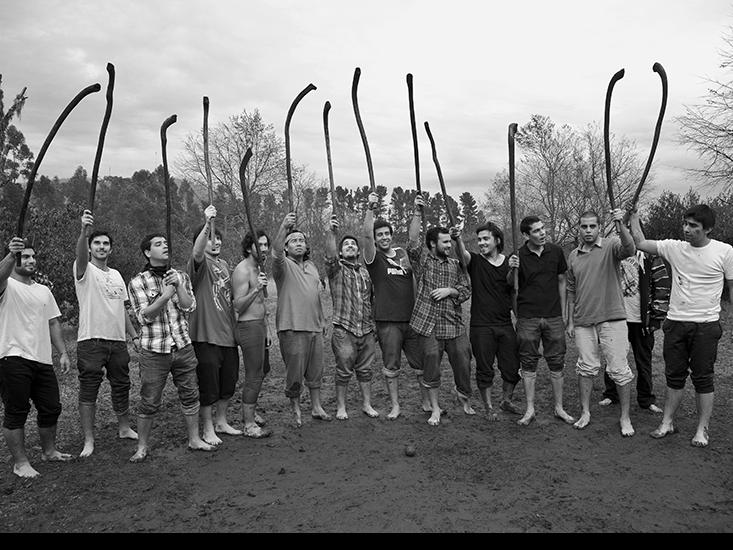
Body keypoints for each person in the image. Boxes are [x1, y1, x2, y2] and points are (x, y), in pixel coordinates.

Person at [630, 205, 733, 447]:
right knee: (674, 376)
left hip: (706, 326)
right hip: (676, 323)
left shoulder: (725, 251)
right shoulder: (675, 248)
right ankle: (667, 422)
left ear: (708, 229)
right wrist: (634, 217)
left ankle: (702, 429)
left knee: (703, 378)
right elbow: (641, 243)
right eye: (685, 224)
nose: (686, 230)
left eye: (693, 226)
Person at [128, 233, 214, 461]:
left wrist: (178, 287)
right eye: (158, 244)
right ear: (147, 252)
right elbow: (144, 316)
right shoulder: (138, 282)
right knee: (149, 399)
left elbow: (189, 306)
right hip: (154, 351)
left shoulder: (181, 276)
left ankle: (195, 439)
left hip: (183, 346)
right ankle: (142, 446)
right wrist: (165, 296)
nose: (164, 246)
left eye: (166, 243)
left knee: (190, 393)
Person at [0, 237, 72, 478]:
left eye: (33, 256)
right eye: (25, 256)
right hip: (12, 357)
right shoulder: (6, 285)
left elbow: (53, 322)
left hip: (42, 359)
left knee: (51, 407)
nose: (31, 260)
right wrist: (11, 255)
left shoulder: (43, 290)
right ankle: (20, 463)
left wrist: (62, 352)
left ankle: (49, 451)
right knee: (16, 410)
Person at [74, 210, 140, 458]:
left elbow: (122, 310)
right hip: (92, 340)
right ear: (90, 248)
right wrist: (83, 231)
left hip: (117, 342)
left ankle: (124, 427)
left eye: (106, 244)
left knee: (122, 384)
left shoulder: (116, 275)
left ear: (111, 249)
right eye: (97, 243)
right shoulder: (84, 270)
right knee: (89, 389)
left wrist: (133, 335)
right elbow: (80, 256)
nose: (102, 247)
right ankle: (89, 440)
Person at [566, 209, 636, 436]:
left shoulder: (610, 246)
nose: (588, 231)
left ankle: (625, 417)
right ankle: (585, 412)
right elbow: (571, 289)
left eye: (592, 226)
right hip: (583, 321)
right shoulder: (573, 255)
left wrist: (621, 224)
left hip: (611, 318)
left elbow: (630, 249)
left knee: (619, 369)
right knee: (585, 368)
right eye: (584, 227)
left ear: (599, 227)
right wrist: (569, 320)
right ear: (579, 228)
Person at [409, 195, 474, 426]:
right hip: (429, 326)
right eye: (444, 242)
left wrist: (450, 291)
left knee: (464, 363)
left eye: (450, 242)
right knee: (431, 367)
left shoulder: (457, 266)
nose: (448, 246)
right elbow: (412, 242)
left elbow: (466, 290)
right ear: (432, 244)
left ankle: (464, 398)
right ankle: (435, 408)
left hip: (454, 326)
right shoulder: (423, 263)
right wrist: (418, 212)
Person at [363, 191, 426, 420]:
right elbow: (367, 238)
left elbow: (414, 239)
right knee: (392, 366)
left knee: (420, 365)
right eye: (379, 234)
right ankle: (395, 405)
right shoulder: (373, 258)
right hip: (388, 321)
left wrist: (417, 212)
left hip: (413, 319)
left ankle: (427, 402)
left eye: (386, 233)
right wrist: (370, 208)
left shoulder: (402, 253)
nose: (383, 237)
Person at [508, 216, 575, 426]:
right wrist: (512, 268)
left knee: (556, 361)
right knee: (528, 362)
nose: (542, 233)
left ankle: (559, 408)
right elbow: (511, 285)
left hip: (554, 316)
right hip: (528, 317)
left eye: (543, 228)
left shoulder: (555, 251)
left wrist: (563, 312)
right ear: (526, 235)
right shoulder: (518, 255)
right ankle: (530, 409)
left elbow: (562, 280)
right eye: (536, 231)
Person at [453, 222, 522, 420]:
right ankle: (489, 407)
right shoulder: (475, 261)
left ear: (497, 240)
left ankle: (506, 400)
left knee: (512, 367)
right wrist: (457, 238)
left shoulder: (510, 261)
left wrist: (513, 269)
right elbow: (462, 255)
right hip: (481, 326)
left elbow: (511, 283)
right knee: (485, 368)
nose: (481, 243)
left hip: (504, 323)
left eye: (485, 239)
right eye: (479, 239)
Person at [187, 206, 242, 445]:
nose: (215, 242)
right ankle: (208, 428)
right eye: (211, 238)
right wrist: (207, 223)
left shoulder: (225, 265)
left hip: (227, 335)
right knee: (208, 386)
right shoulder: (199, 265)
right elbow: (197, 252)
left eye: (218, 238)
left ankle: (221, 421)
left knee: (227, 382)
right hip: (205, 334)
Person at [272, 212, 331, 426]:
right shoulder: (283, 266)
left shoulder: (313, 267)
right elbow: (275, 251)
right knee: (295, 372)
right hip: (292, 327)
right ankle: (296, 409)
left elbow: (314, 296)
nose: (298, 243)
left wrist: (322, 320)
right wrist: (284, 227)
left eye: (302, 241)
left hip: (315, 326)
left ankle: (316, 407)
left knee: (316, 371)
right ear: (287, 247)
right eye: (293, 241)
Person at [599, 239, 669, 414]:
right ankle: (611, 393)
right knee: (613, 357)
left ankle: (646, 399)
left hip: (641, 320)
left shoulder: (650, 256)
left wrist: (655, 318)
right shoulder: (613, 255)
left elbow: (662, 286)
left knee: (643, 359)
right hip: (616, 317)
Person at [325, 214, 379, 420]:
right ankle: (341, 407)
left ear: (358, 251)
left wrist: (372, 327)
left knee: (365, 370)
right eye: (345, 244)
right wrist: (332, 233)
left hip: (365, 330)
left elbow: (370, 300)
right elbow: (329, 257)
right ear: (341, 251)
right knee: (344, 371)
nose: (350, 246)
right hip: (344, 330)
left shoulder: (365, 273)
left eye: (353, 244)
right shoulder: (336, 270)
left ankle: (367, 404)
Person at [232, 228, 272, 438]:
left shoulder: (258, 268)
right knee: (254, 374)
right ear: (249, 247)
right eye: (260, 245)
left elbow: (261, 302)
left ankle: (251, 410)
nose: (264, 248)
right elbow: (237, 305)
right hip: (248, 327)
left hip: (260, 325)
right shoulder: (243, 270)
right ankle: (248, 424)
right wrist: (256, 288)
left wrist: (267, 327)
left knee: (263, 369)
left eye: (266, 244)